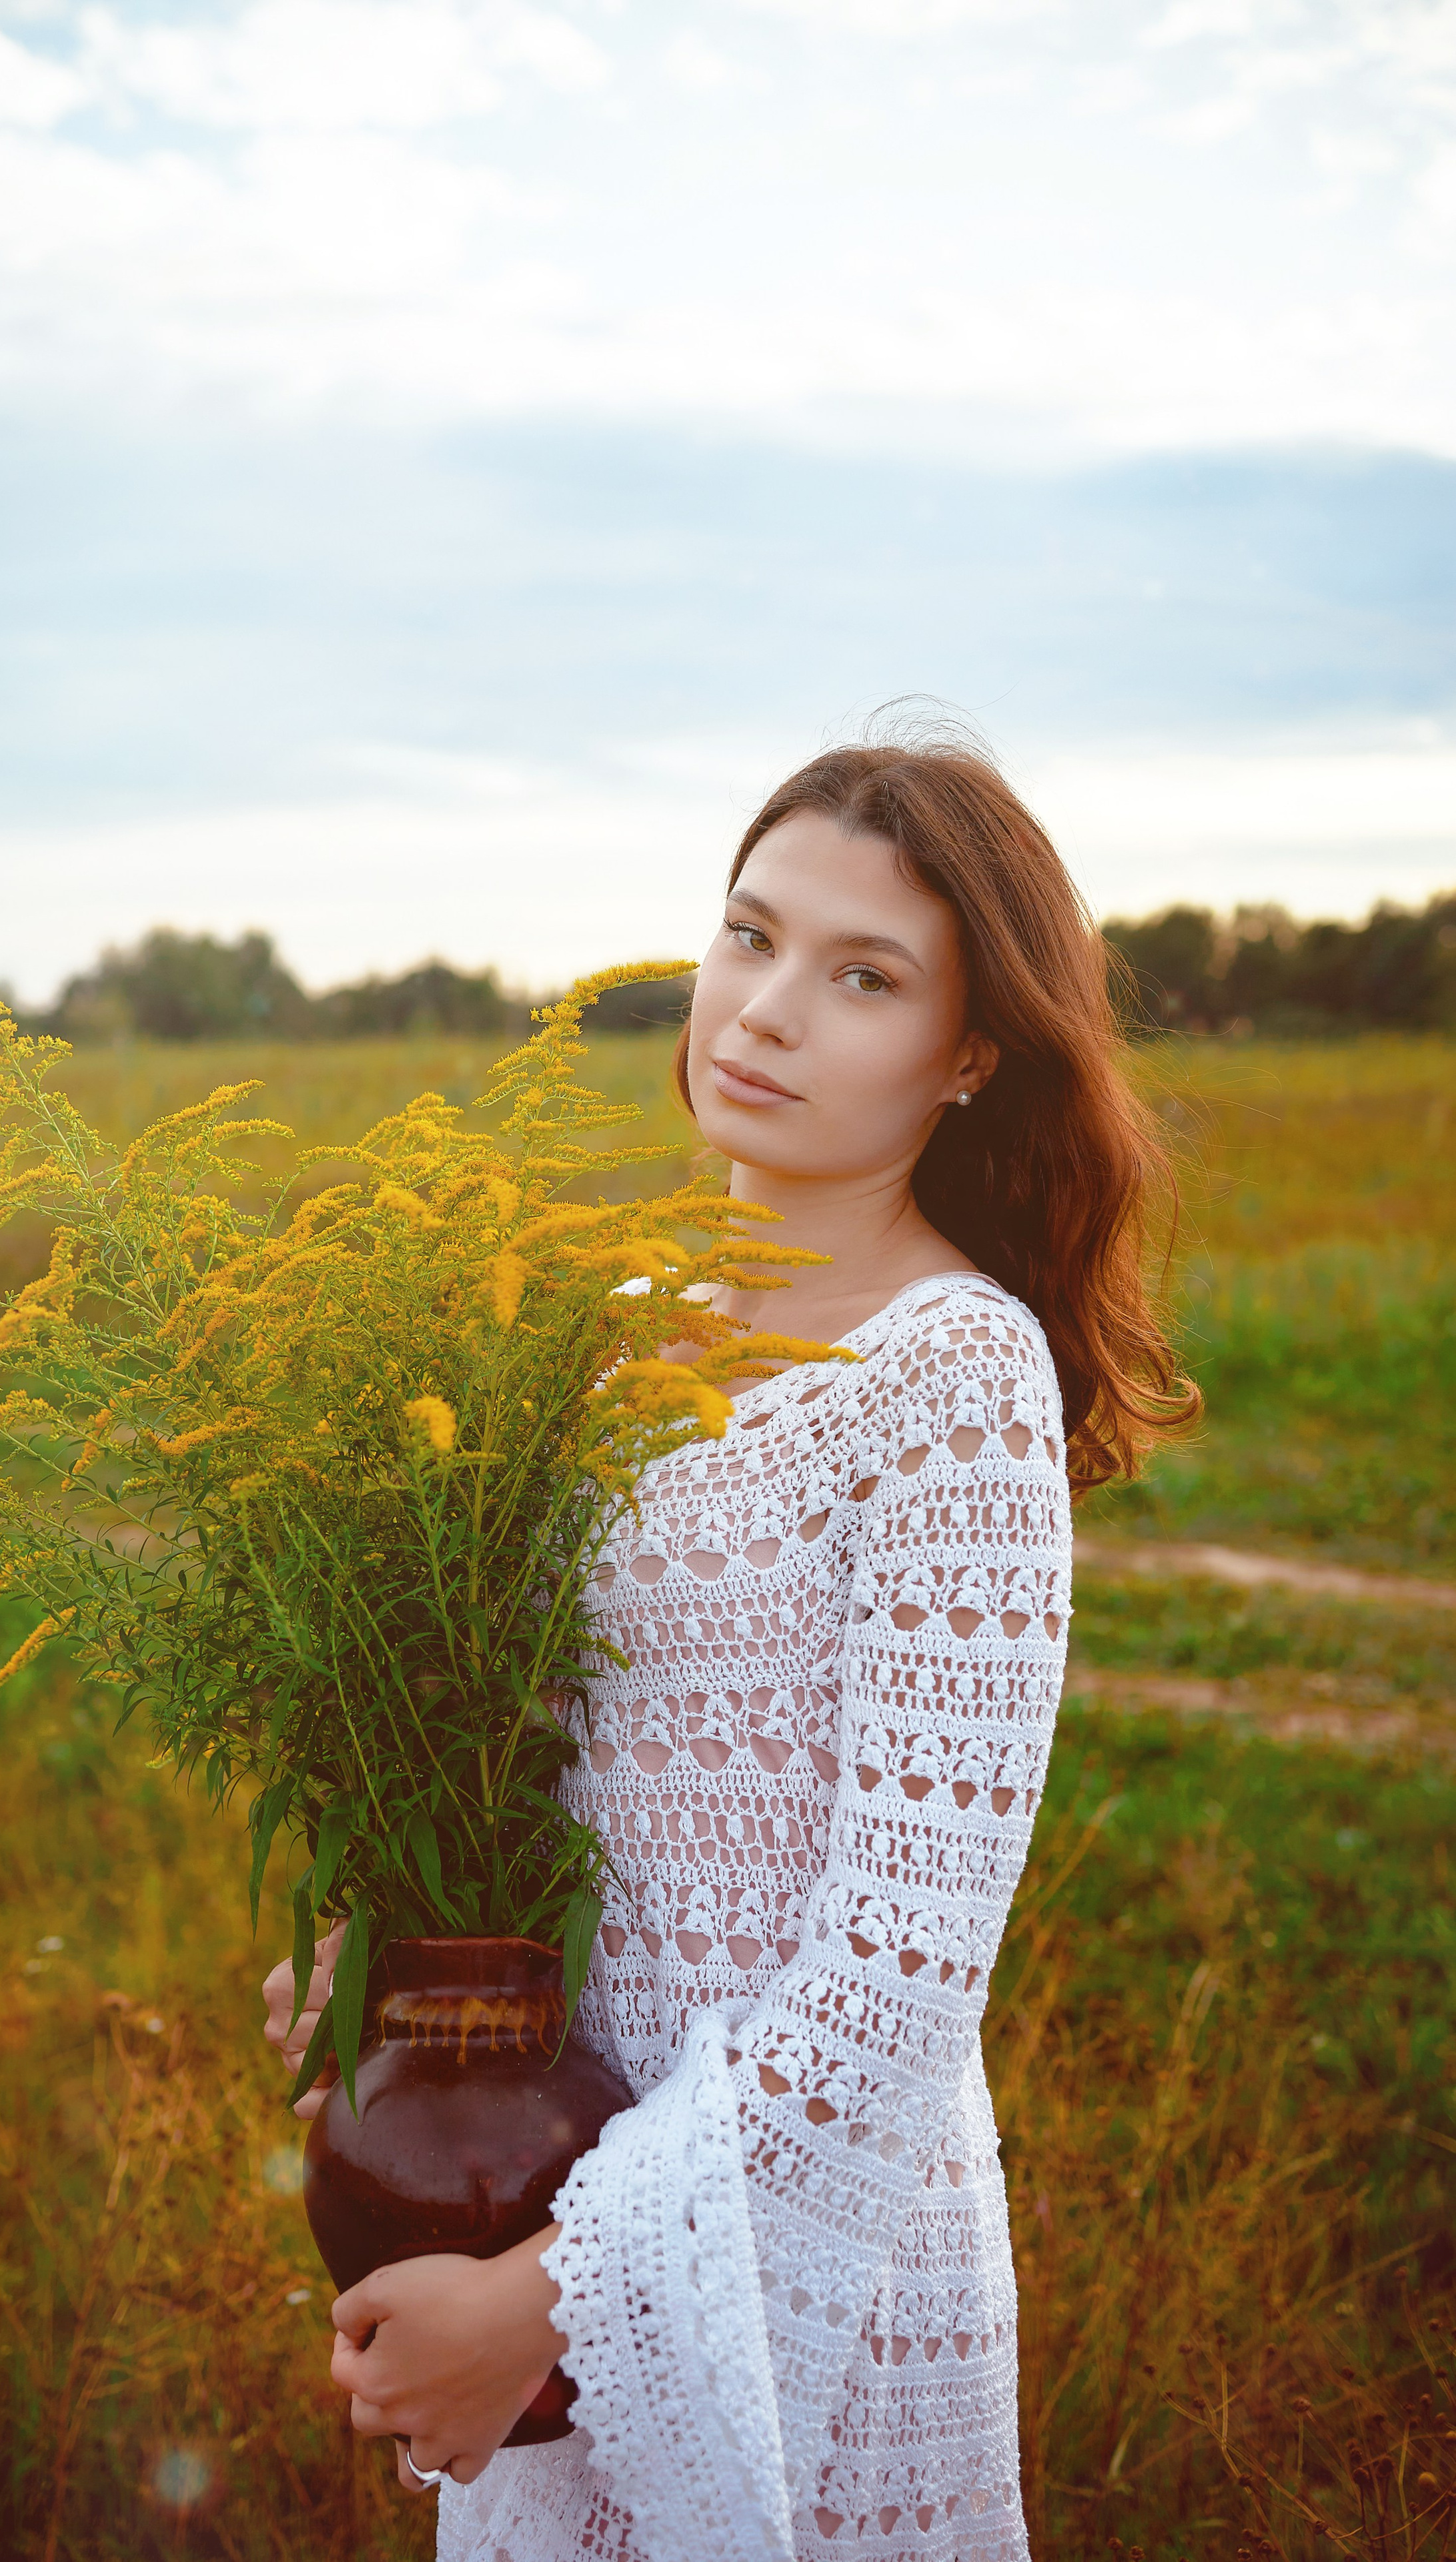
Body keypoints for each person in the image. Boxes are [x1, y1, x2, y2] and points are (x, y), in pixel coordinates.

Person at [262, 731, 1196, 2561]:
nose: (764, 1012)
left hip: (799, 2258)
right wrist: (384, 1982)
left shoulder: (951, 1377)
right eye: (748, 936)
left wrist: (552, 2294)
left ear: (972, 1056)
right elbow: (502, 1776)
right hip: (524, 2167)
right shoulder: (599, 1336)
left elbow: (900, 1975)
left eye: (862, 978)